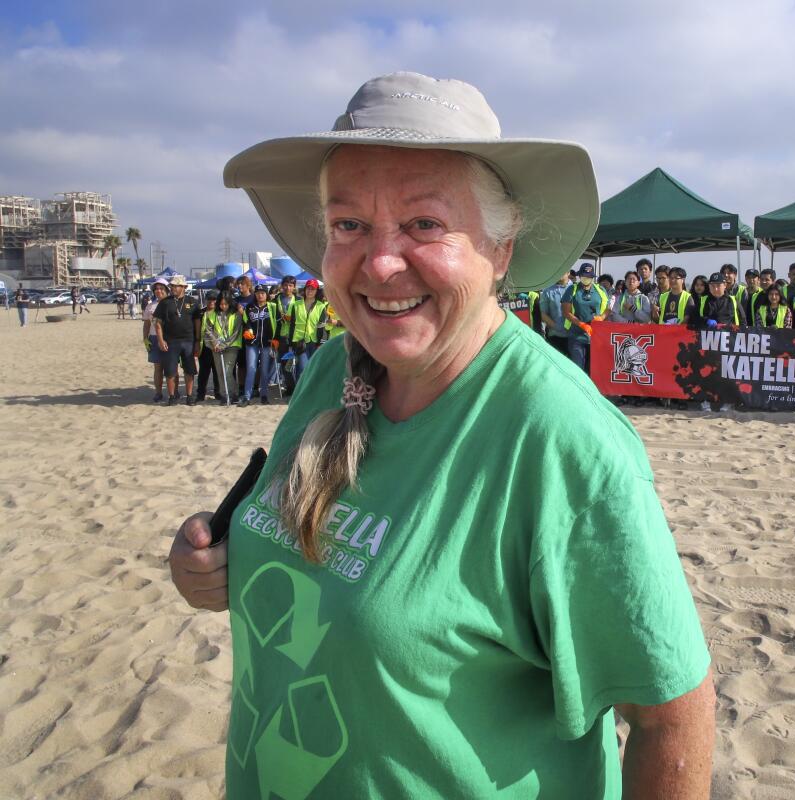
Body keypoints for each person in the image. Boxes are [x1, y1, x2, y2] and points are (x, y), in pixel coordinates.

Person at [167, 72, 713, 798]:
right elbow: (311, 563)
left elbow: (672, 715)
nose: (381, 263)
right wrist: (214, 567)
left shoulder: (558, 437)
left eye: (424, 224)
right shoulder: (333, 368)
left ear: (501, 246)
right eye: (348, 225)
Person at [153, 275, 201, 405]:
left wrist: (197, 341)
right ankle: (172, 396)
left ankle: (190, 396)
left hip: (188, 341)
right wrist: (161, 340)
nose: (173, 288)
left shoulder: (192, 301)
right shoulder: (165, 302)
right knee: (170, 371)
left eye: (176, 286)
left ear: (184, 287)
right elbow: (157, 323)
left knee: (189, 370)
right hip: (170, 341)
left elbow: (197, 322)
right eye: (172, 286)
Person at [561, 262, 608, 373]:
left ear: (592, 277)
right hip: (577, 336)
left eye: (589, 277)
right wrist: (581, 324)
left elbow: (608, 308)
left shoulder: (600, 290)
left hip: (596, 337)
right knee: (578, 368)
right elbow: (566, 312)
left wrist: (602, 317)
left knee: (594, 370)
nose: (586, 278)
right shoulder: (572, 289)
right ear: (579, 276)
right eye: (584, 276)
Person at [240, 283, 278, 406]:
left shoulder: (272, 307)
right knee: (251, 368)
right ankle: (247, 396)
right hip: (252, 343)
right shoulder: (249, 307)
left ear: (266, 294)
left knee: (264, 370)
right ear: (255, 294)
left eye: (262, 293)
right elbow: (246, 322)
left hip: (267, 343)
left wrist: (276, 338)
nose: (260, 295)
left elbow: (278, 324)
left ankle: (264, 395)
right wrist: (247, 330)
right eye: (258, 293)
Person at [202, 291, 243, 405]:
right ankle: (224, 395)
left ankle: (232, 394)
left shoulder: (236, 315)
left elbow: (235, 333)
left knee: (227, 371)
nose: (223, 306)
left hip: (231, 346)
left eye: (226, 304)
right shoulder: (212, 314)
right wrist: (214, 344)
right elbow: (208, 330)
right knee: (220, 372)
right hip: (216, 347)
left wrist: (223, 345)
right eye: (221, 304)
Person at [290, 278, 329, 382]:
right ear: (305, 289)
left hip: (315, 342)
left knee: (313, 369)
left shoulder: (321, 306)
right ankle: (299, 394)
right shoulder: (296, 304)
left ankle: (309, 393)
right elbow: (292, 325)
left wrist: (321, 343)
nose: (310, 291)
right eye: (308, 288)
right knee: (303, 368)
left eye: (313, 289)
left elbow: (323, 326)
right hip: (299, 341)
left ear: (317, 291)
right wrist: (290, 342)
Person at [142, 278, 168, 401]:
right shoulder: (150, 306)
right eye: (156, 289)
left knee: (171, 367)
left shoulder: (172, 303)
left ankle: (174, 392)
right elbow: (147, 324)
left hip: (170, 338)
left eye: (161, 288)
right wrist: (145, 338)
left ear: (166, 289)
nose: (158, 291)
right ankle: (158, 392)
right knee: (158, 367)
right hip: (154, 337)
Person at [193, 290, 221, 402]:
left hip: (217, 345)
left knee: (217, 371)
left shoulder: (221, 312)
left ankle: (218, 393)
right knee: (204, 371)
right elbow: (196, 329)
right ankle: (200, 393)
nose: (211, 301)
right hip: (204, 345)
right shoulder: (201, 312)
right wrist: (196, 343)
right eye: (209, 299)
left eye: (214, 299)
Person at [539, 270, 571, 357]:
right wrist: (556, 326)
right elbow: (542, 313)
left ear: (568, 273)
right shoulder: (547, 291)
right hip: (555, 336)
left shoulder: (576, 288)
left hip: (574, 337)